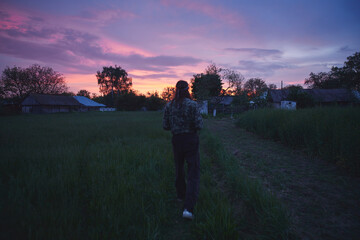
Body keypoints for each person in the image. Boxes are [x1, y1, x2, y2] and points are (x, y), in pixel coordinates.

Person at [163, 80, 203, 220]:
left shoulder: (169, 105)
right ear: (188, 89)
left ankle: (181, 196)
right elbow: (199, 125)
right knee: (193, 172)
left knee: (179, 169)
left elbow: (165, 126)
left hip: (177, 140)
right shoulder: (193, 105)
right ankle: (189, 208)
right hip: (191, 139)